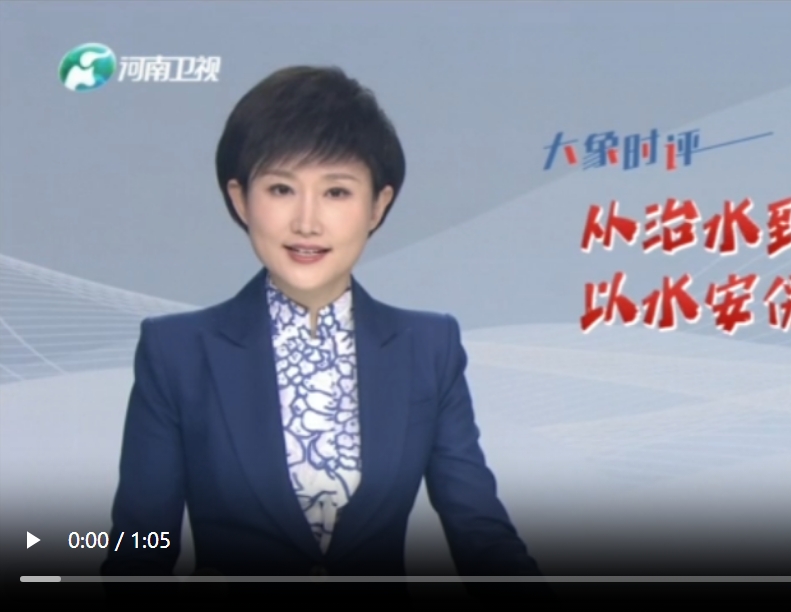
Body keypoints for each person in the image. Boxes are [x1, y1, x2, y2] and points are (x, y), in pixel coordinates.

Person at [101, 66, 548, 601]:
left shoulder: (428, 348)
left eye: (336, 191)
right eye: (281, 188)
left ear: (378, 205)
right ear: (240, 199)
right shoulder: (176, 352)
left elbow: (483, 537)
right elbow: (136, 549)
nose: (307, 222)